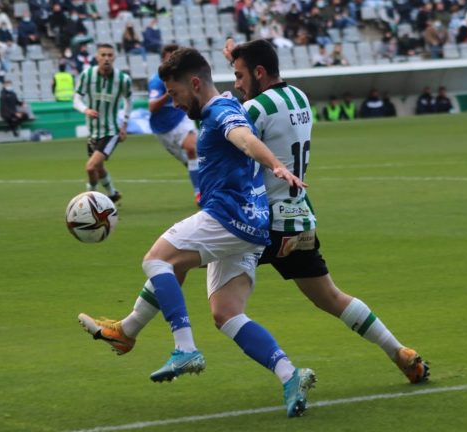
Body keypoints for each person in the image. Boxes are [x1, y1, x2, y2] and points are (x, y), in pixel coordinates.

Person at [78, 47, 316, 418]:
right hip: (253, 224)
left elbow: (243, 137)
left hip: (229, 215)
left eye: (174, 94)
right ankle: (290, 375)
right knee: (227, 314)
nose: (173, 103)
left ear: (193, 83)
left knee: (157, 260)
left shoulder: (220, 111)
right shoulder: (225, 103)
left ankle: (184, 347)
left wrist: (275, 165)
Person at [72, 43, 132, 200]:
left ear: (114, 57)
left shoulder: (123, 79)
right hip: (93, 131)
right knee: (98, 167)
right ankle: (112, 193)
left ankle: (90, 198)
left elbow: (129, 100)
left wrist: (124, 124)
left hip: (111, 131)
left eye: (109, 55)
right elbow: (76, 100)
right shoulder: (87, 75)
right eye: (103, 55)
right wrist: (86, 110)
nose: (106, 58)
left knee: (91, 167)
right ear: (97, 57)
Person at [146, 44, 201, 205]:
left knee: (192, 149)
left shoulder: (184, 76)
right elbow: (152, 107)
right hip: (162, 129)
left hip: (182, 118)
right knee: (190, 161)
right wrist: (169, 93)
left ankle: (199, 193)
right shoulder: (157, 81)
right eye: (169, 59)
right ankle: (203, 184)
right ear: (163, 60)